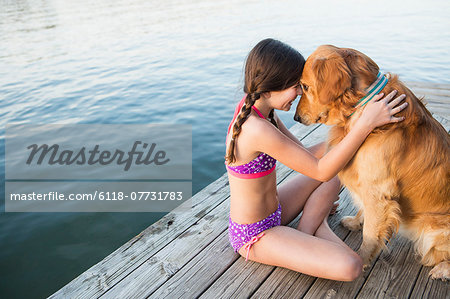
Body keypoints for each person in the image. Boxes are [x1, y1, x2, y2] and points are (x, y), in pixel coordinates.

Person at [224, 38, 407, 281]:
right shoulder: (256, 129)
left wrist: (358, 117)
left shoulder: (262, 112)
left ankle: (308, 228)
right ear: (271, 86)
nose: (300, 93)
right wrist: (364, 125)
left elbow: (307, 156)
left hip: (277, 208)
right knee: (351, 266)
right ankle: (315, 226)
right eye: (295, 86)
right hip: (255, 233)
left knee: (341, 172)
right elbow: (320, 171)